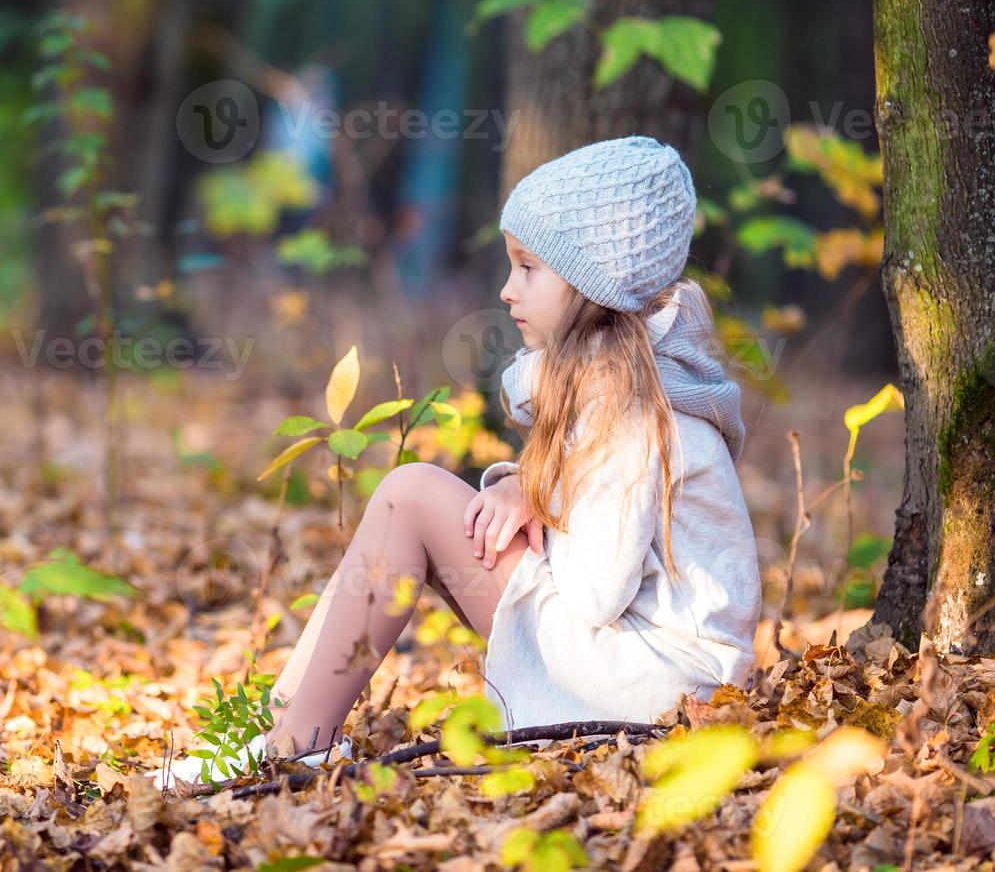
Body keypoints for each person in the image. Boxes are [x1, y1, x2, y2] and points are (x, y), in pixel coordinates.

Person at [148, 135, 762, 792]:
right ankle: (284, 731)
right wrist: (530, 487)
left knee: (411, 494)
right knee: (409, 502)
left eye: (529, 268)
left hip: (659, 688)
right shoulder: (629, 392)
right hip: (657, 675)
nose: (506, 290)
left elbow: (593, 593)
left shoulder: (633, 414)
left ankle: (295, 742)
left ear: (592, 283)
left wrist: (537, 493)